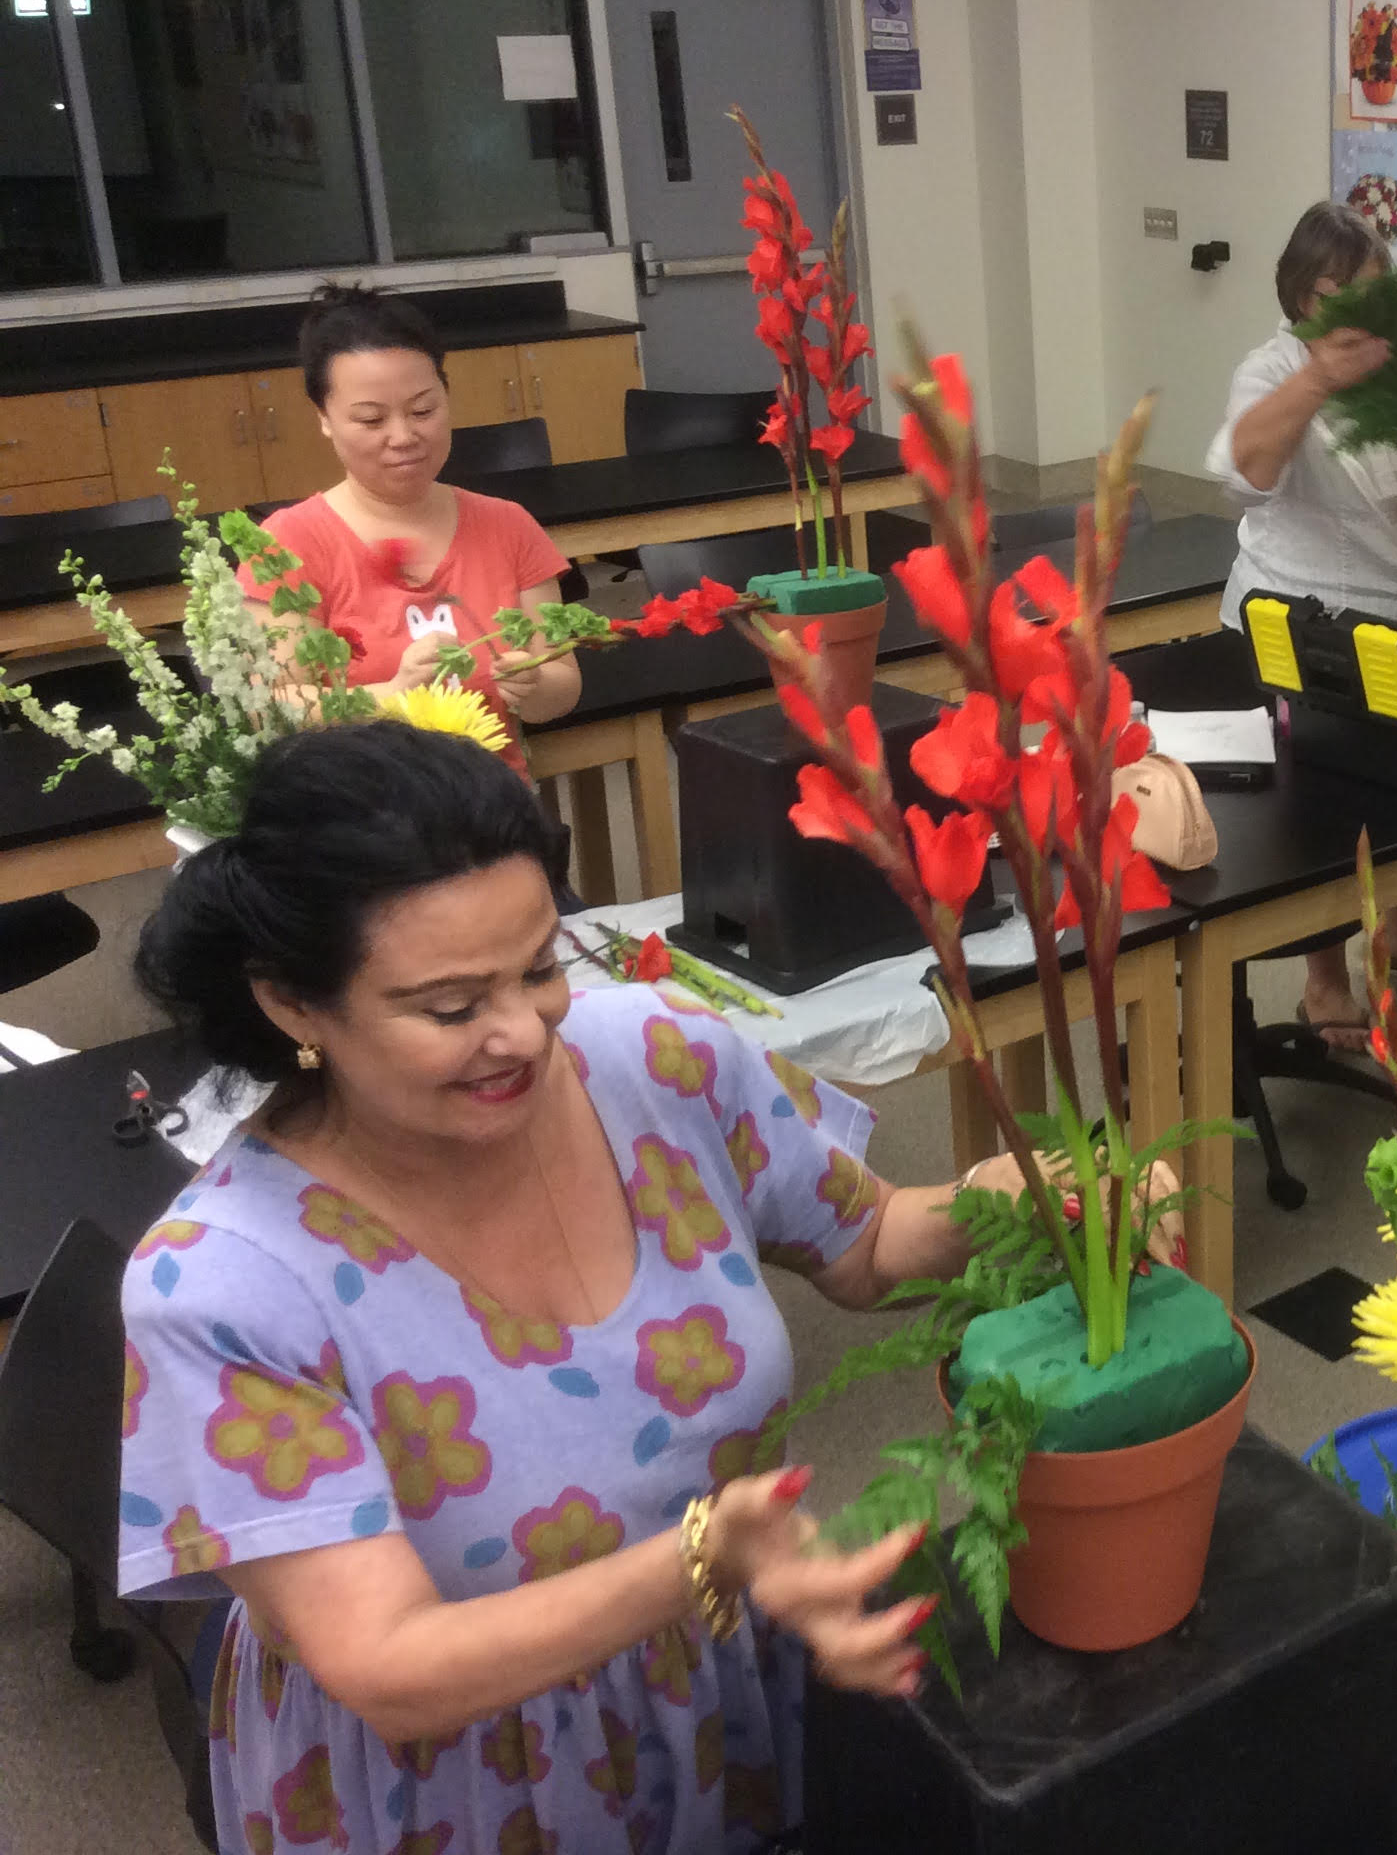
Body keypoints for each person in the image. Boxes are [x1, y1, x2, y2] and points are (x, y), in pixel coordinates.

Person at [115, 721, 1068, 1853]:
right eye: (451, 1006)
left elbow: (865, 1246)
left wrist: (1028, 1201)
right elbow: (389, 1666)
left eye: (540, 966)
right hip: (466, 1781)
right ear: (293, 1006)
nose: (521, 1032)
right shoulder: (223, 1285)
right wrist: (706, 1557)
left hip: (722, 1690)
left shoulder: (661, 1059)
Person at [1207, 202, 1397, 1046]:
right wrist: (1318, 379)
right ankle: (1324, 979)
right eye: (1332, 295)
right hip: (1304, 626)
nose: (1353, 316)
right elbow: (1242, 472)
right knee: (1320, 815)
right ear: (1300, 296)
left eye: (1368, 293)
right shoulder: (1272, 370)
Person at [254, 286, 581, 774]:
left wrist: (534, 687)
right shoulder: (290, 543)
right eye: (371, 419)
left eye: (423, 410)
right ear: (324, 418)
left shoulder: (508, 525)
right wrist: (389, 696)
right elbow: (270, 708)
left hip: (491, 803)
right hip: (358, 812)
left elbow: (562, 683)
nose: (404, 437)